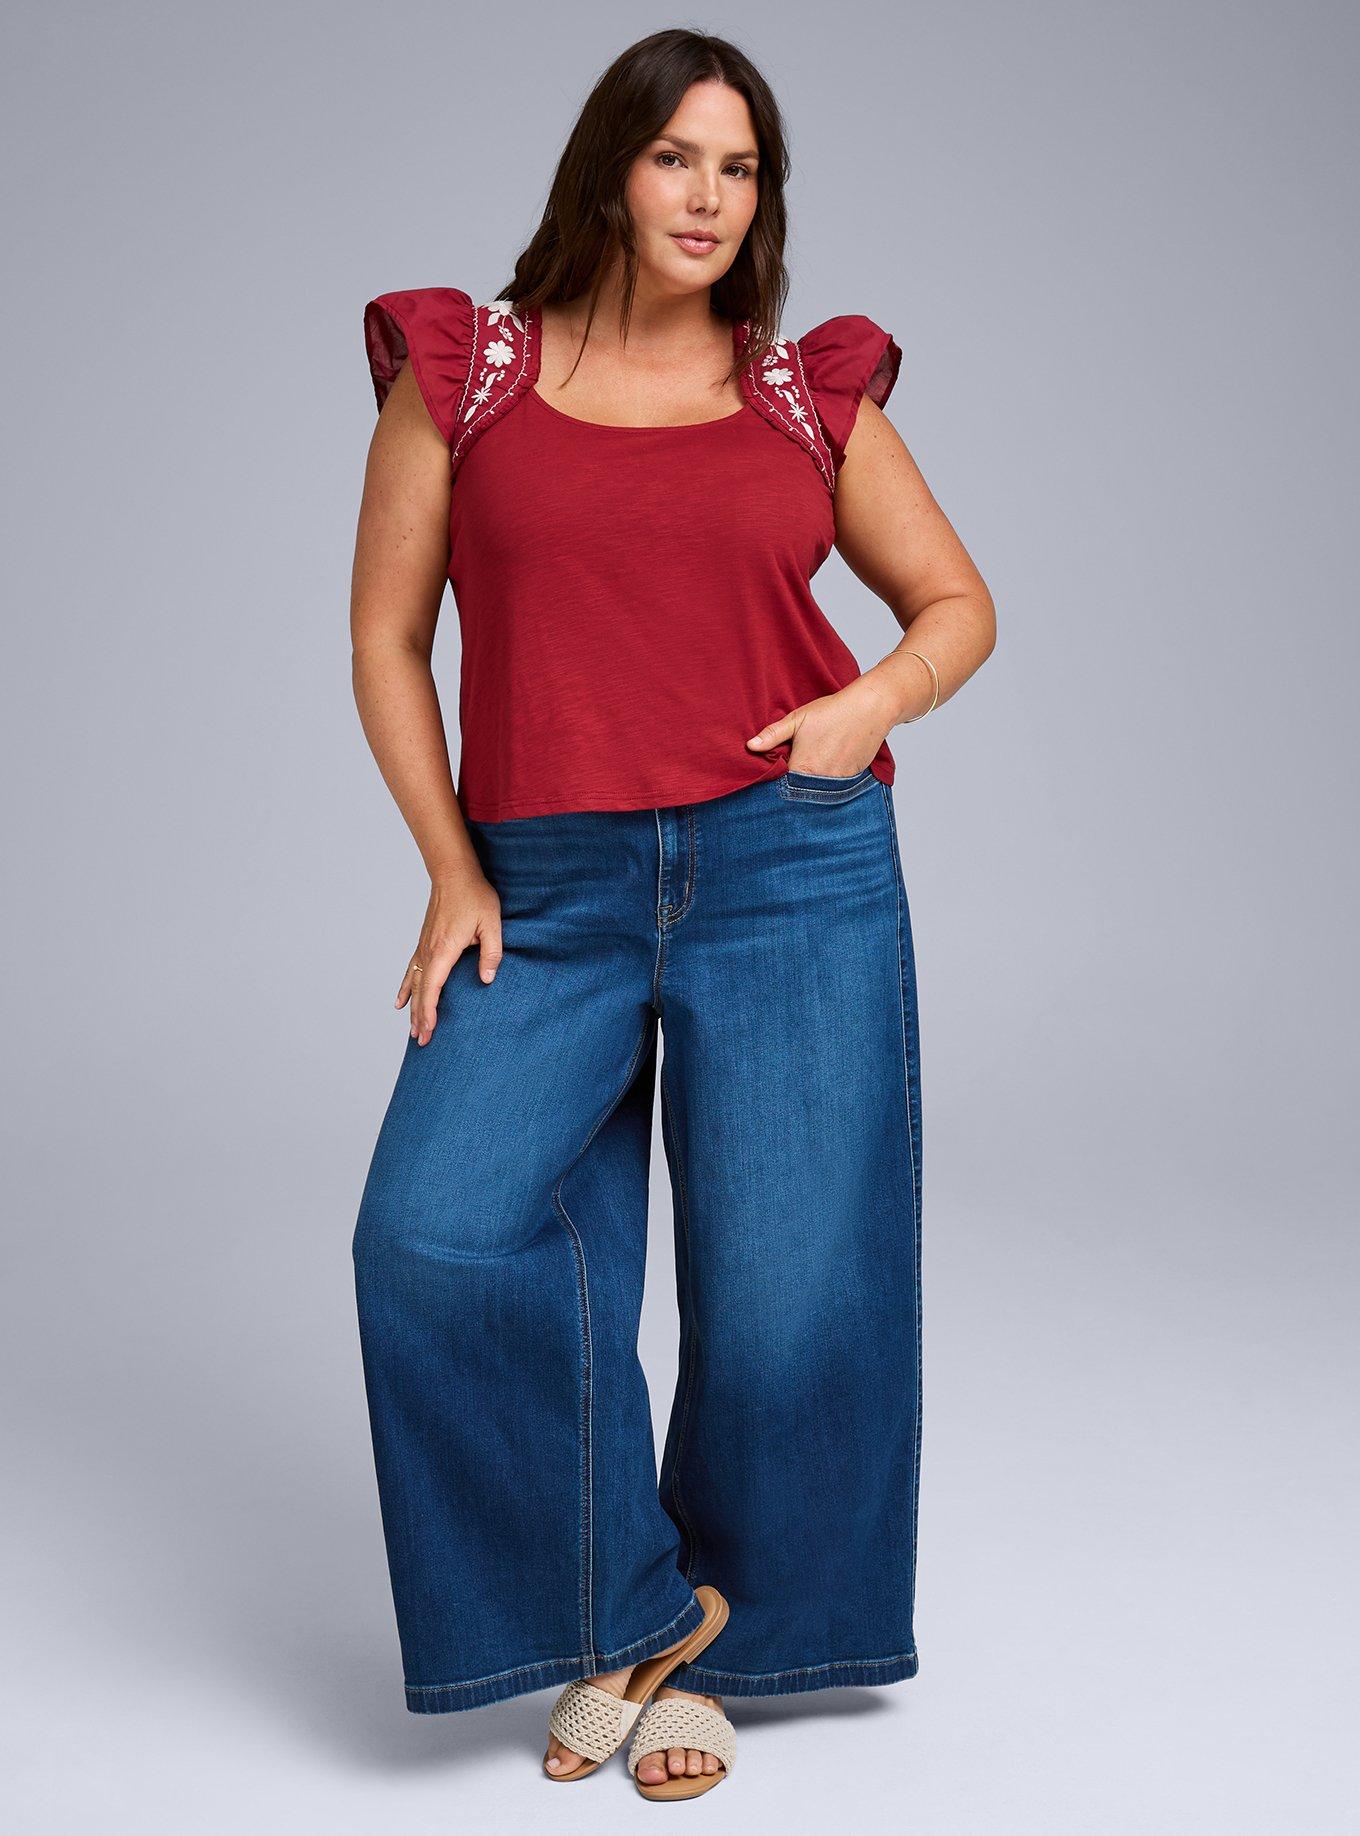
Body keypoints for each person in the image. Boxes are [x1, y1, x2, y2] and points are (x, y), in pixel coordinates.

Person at [348, 27, 995, 1801]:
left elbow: (955, 604)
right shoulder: (468, 376)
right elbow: (386, 638)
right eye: (676, 158)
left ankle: (743, 1643)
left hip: (785, 867)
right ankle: (634, 1606)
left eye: (741, 167)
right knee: (433, 1235)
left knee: (791, 1288)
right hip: (543, 887)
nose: (709, 197)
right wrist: (453, 866)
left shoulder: (800, 397)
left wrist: (869, 707)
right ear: (610, 170)